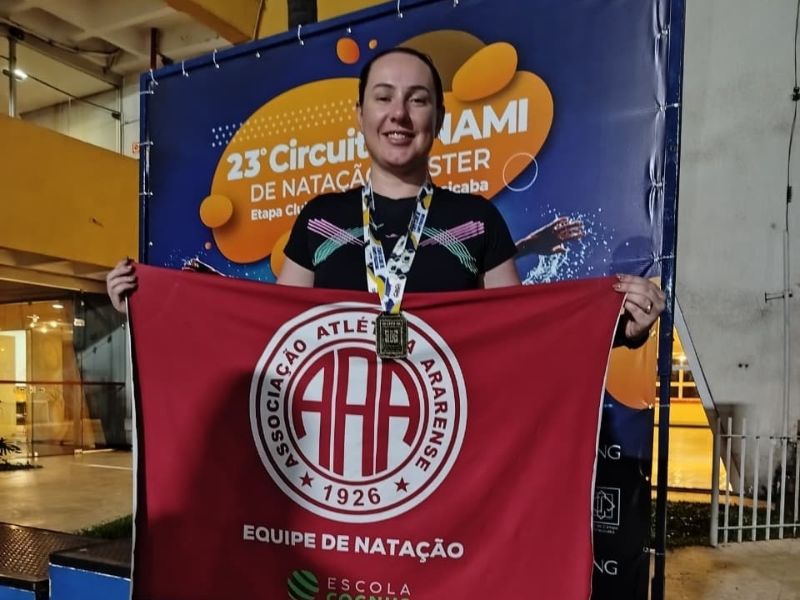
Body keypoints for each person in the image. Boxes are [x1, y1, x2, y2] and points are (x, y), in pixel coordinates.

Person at [106, 47, 664, 344]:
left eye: (417, 99)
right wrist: (151, 307)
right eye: (383, 97)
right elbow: (270, 332)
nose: (399, 114)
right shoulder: (320, 218)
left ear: (438, 118)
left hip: (445, 440)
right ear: (360, 116)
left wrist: (621, 329)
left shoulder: (477, 219)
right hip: (331, 444)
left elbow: (523, 335)